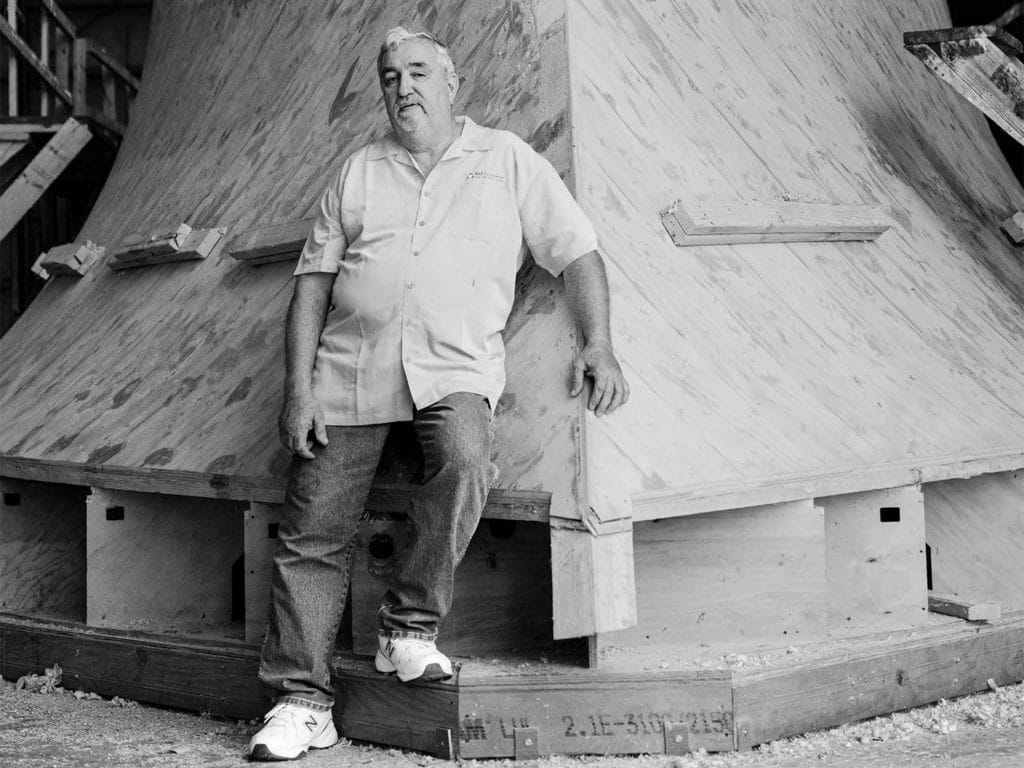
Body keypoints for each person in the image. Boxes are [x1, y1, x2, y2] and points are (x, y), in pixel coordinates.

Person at [248, 26, 629, 761]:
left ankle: (408, 627)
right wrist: (298, 390)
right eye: (390, 77)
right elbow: (311, 288)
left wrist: (599, 342)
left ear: (453, 83)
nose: (404, 88)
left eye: (418, 72)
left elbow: (578, 251)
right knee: (313, 529)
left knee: (465, 458)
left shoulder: (508, 159)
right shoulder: (357, 172)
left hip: (452, 370)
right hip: (350, 373)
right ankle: (301, 702)